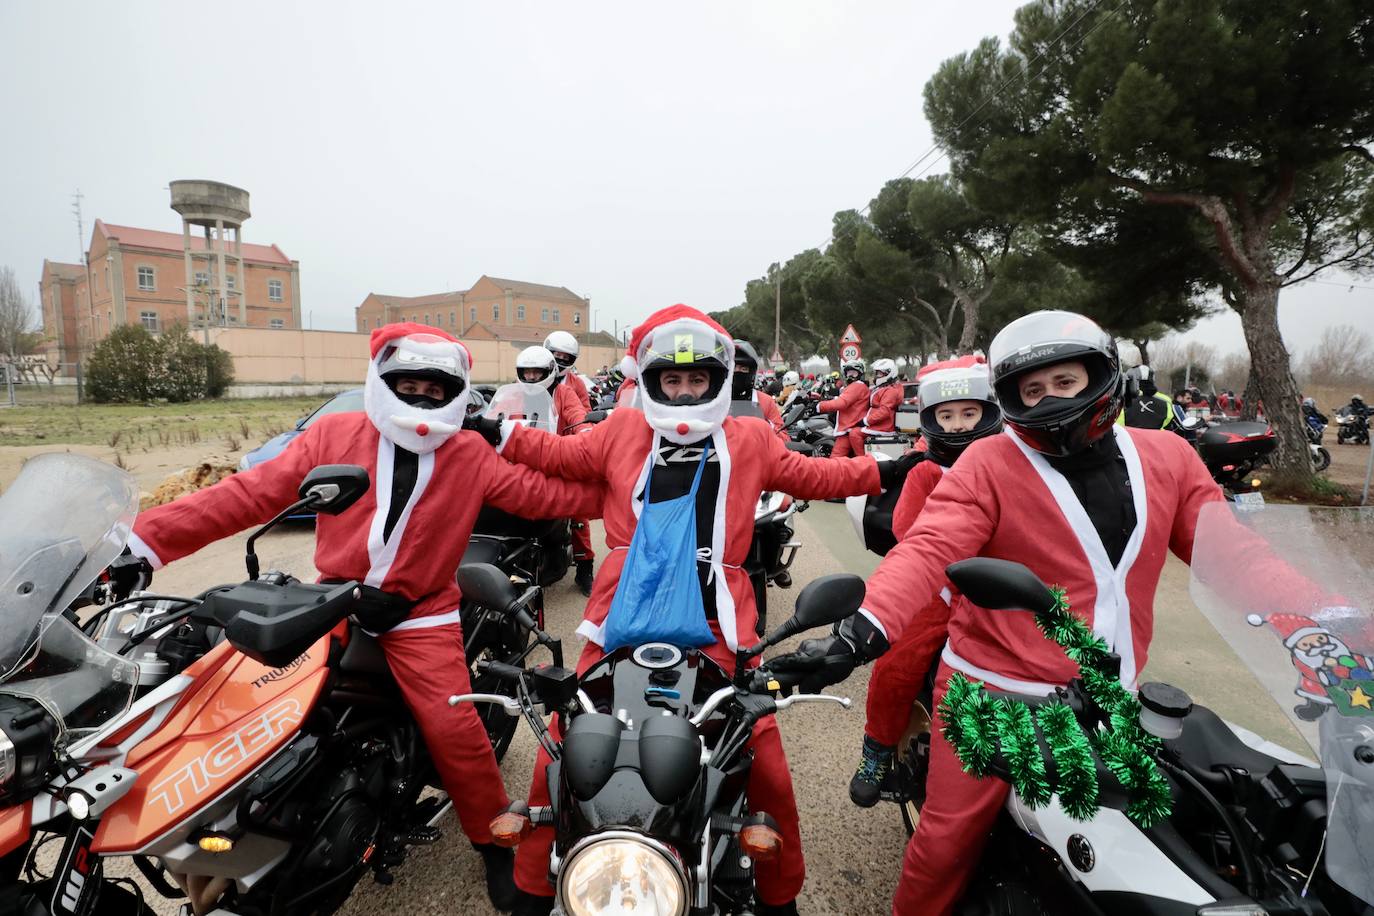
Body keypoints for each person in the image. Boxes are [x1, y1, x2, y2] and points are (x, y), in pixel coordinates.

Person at [763, 310, 1329, 916]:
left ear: (1101, 375)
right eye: (1031, 390)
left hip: (1111, 698)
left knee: (1187, 842)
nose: (1049, 399)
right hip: (994, 694)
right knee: (945, 842)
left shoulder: (1169, 457)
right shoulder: (988, 462)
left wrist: (1330, 623)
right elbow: (928, 549)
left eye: (1064, 381)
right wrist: (859, 631)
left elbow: (1237, 558)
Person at [124, 324, 605, 912]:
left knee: (456, 732)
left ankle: (493, 843)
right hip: (333, 598)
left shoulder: (469, 452)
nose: (423, 396)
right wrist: (143, 544)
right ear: (382, 380)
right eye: (408, 383)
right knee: (245, 699)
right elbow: (247, 494)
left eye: (437, 386)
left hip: (421, 613)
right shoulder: (333, 432)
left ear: (455, 390)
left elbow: (544, 496)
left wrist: (641, 489)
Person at [472, 305, 907, 916]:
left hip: (718, 620)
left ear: (717, 381)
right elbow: (560, 457)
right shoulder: (624, 430)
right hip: (621, 611)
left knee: (763, 757)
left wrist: (887, 469)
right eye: (670, 381)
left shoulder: (750, 437)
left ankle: (779, 896)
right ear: (651, 383)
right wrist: (498, 434)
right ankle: (534, 886)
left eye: (696, 380)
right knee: (565, 743)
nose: (683, 392)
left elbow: (813, 476)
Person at [849, 365, 1003, 807]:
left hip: (1002, 592)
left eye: (969, 413)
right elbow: (908, 533)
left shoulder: (1015, 467)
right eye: (948, 415)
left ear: (989, 412)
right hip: (939, 593)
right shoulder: (925, 473)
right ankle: (875, 750)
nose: (959, 425)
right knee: (897, 664)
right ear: (932, 420)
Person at [544, 331, 598, 595]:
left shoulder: (575, 385)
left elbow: (582, 412)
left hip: (565, 449)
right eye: (557, 355)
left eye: (566, 357)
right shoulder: (533, 373)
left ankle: (584, 568)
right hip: (534, 448)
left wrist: (584, 433)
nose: (560, 360)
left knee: (578, 510)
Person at [733, 339, 789, 440]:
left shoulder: (765, 402)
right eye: (733, 367)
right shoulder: (715, 400)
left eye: (743, 369)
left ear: (752, 372)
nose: (737, 372)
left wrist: (765, 425)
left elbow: (785, 439)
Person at [816, 359, 870, 458]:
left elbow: (842, 403)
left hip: (849, 427)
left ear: (860, 373)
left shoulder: (857, 386)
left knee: (835, 460)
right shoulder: (857, 387)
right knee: (841, 460)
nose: (850, 376)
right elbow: (845, 399)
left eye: (853, 373)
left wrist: (819, 406)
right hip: (850, 427)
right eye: (848, 373)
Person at [1122, 365, 1186, 435]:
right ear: (1152, 379)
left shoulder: (1122, 400)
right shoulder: (1166, 400)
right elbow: (1170, 424)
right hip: (1157, 441)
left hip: (1129, 441)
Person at [860, 358, 904, 437]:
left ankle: (861, 450)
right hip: (878, 423)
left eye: (880, 373)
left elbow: (884, 411)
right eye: (877, 373)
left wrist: (866, 421)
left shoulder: (890, 391)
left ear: (889, 373)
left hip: (883, 426)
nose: (877, 376)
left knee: (854, 434)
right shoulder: (883, 387)